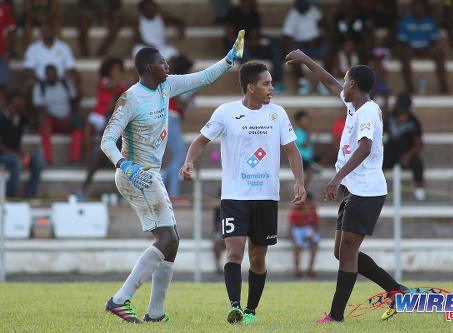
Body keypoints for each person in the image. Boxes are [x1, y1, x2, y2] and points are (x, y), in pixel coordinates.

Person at [100, 31, 245, 323]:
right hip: (136, 174)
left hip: (151, 174)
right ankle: (120, 299)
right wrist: (124, 165)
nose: (168, 66)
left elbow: (202, 77)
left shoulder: (165, 87)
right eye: (163, 63)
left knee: (172, 242)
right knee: (168, 237)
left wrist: (229, 60)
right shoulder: (130, 98)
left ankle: (155, 313)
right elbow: (106, 140)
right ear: (149, 68)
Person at [285, 49, 408, 323]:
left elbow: (365, 148)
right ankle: (397, 291)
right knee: (341, 251)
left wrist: (336, 177)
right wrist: (305, 60)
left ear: (353, 84)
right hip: (356, 189)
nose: (341, 83)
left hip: (366, 190)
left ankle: (337, 316)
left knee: (348, 252)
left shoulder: (367, 113)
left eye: (345, 79)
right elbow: (329, 81)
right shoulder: (355, 105)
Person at [180, 61, 307, 324]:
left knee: (258, 257)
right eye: (266, 83)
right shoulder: (226, 112)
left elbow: (292, 151)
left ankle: (251, 310)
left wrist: (300, 181)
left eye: (271, 83)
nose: (271, 88)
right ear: (251, 87)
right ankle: (235, 306)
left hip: (266, 197)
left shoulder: (278, 114)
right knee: (234, 252)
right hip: (234, 197)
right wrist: (189, 161)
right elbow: (201, 139)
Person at [224, 0, 285, 93]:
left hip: (252, 46)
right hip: (237, 47)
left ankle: (278, 83)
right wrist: (250, 43)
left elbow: (257, 34)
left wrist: (259, 42)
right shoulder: (233, 13)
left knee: (274, 46)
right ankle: (248, 86)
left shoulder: (254, 14)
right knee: (245, 54)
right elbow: (230, 37)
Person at [33, 64, 82, 165]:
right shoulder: (40, 87)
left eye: (53, 73)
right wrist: (59, 120)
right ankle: (47, 160)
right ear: (45, 74)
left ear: (57, 74)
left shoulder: (65, 84)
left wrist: (72, 116)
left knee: (78, 129)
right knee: (44, 126)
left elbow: (74, 100)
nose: (51, 75)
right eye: (48, 73)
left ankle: (74, 159)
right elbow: (40, 109)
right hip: (51, 120)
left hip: (66, 118)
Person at [161, 55, 195, 199]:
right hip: (170, 117)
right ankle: (172, 194)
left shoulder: (168, 78)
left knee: (180, 156)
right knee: (181, 156)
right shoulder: (175, 80)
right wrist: (193, 96)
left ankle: (162, 185)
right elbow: (181, 105)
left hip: (167, 118)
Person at [397, 0, 448, 93]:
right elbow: (402, 40)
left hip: (427, 48)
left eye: (420, 6)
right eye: (416, 6)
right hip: (410, 48)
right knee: (404, 55)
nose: (418, 9)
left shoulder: (431, 21)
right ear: (412, 8)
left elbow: (434, 40)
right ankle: (410, 86)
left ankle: (444, 86)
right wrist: (414, 48)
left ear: (424, 8)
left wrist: (426, 49)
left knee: (440, 55)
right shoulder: (405, 21)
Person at [0, 91, 44, 198]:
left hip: (16, 153)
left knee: (38, 160)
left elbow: (35, 123)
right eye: (19, 101)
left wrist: (27, 111)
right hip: (3, 155)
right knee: (17, 163)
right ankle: (10, 196)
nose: (21, 103)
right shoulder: (1, 117)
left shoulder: (21, 117)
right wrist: (17, 155)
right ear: (11, 102)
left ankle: (30, 193)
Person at [383, 93, 425, 201]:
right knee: (376, 161)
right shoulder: (390, 117)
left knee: (417, 162)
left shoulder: (413, 121)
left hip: (406, 152)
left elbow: (419, 144)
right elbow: (381, 130)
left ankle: (419, 190)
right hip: (390, 151)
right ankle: (375, 189)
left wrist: (408, 155)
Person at [281, 0, 328, 95]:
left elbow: (325, 25)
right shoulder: (293, 15)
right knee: (293, 53)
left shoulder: (314, 11)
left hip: (316, 44)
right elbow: (285, 38)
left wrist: (319, 36)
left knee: (329, 49)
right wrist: (305, 41)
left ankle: (324, 83)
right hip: (301, 46)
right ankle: (303, 83)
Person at [84, 57, 126, 162]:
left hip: (111, 117)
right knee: (88, 129)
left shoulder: (122, 85)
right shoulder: (104, 81)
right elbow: (109, 86)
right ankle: (89, 158)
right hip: (98, 114)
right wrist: (122, 76)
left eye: (118, 70)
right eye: (114, 70)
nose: (116, 72)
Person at [324, 0, 374, 78]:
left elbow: (369, 34)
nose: (344, 3)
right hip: (340, 45)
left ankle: (364, 79)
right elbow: (331, 35)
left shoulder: (363, 15)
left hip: (359, 45)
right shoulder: (338, 17)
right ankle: (327, 79)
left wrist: (359, 44)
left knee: (367, 52)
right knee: (328, 52)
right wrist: (343, 44)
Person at [23, 23, 80, 88]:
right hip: (39, 82)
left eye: (50, 31)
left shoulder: (64, 47)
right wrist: (42, 82)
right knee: (29, 85)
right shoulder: (33, 48)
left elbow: (71, 67)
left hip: (60, 82)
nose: (48, 33)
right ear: (41, 33)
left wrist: (77, 78)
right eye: (46, 31)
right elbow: (28, 69)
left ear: (54, 32)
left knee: (74, 85)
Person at [289, 192, 319, 277]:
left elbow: (316, 223)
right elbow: (292, 224)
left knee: (315, 242)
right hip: (298, 228)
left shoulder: (313, 208)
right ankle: (297, 268)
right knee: (298, 244)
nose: (308, 204)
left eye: (309, 202)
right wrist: (292, 236)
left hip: (308, 228)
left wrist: (312, 232)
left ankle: (311, 268)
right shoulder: (296, 209)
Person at [294, 110, 315, 188]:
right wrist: (308, 132)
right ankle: (303, 189)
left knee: (326, 157)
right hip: (301, 159)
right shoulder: (297, 132)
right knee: (310, 171)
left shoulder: (305, 132)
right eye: (304, 120)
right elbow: (305, 145)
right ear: (298, 121)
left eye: (307, 120)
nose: (307, 122)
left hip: (308, 158)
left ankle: (316, 166)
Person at [0, 1, 15, 98]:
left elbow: (11, 30)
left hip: (2, 51)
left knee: (2, 84)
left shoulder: (5, 8)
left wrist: (9, 50)